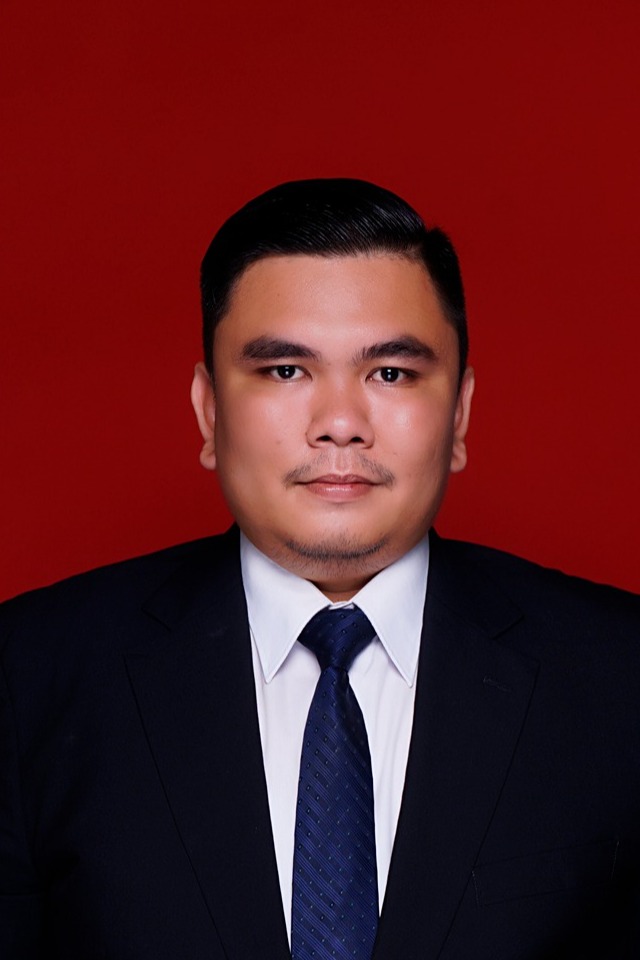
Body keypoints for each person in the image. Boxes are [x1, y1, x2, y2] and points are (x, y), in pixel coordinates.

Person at [1, 178, 638, 960]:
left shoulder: (619, 677)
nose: (340, 423)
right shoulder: (30, 678)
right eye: (285, 371)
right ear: (208, 411)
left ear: (461, 415)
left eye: (391, 373)